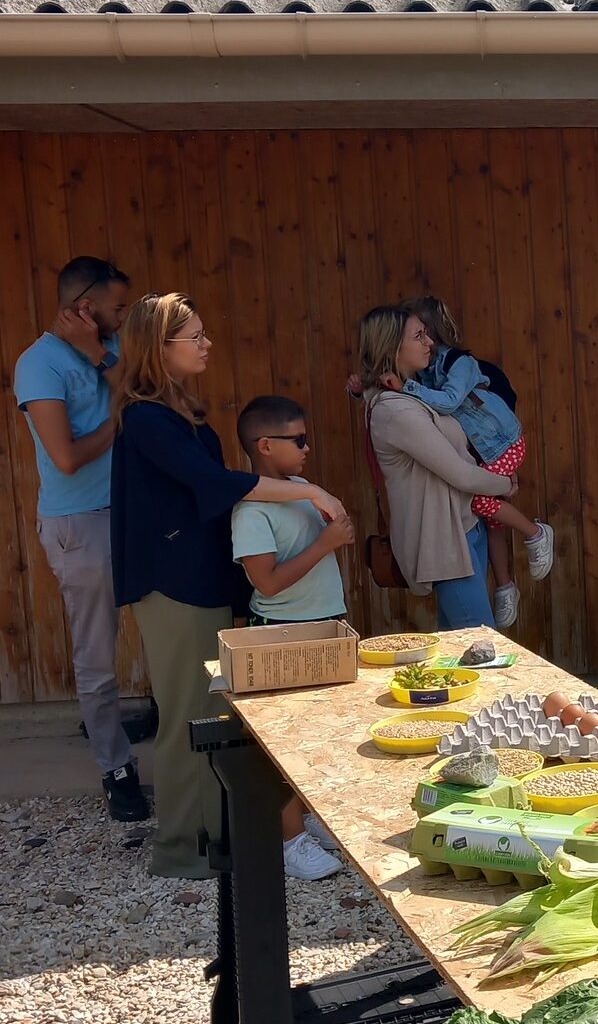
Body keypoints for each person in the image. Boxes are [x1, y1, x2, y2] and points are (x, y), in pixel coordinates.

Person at [111, 293, 345, 880]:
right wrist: (311, 492)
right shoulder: (145, 420)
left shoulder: (187, 417)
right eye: (195, 336)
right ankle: (183, 849)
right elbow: (214, 484)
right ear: (158, 348)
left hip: (207, 584)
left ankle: (220, 835)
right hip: (171, 588)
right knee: (187, 713)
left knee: (215, 714)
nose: (207, 344)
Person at [14, 256, 149, 821]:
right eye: (117, 308)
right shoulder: (38, 365)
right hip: (81, 521)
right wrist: (122, 420)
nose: (126, 316)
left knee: (167, 621)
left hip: (132, 511)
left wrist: (101, 360)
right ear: (85, 308)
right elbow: (66, 457)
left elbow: (145, 397)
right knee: (96, 652)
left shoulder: (107, 352)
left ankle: (163, 714)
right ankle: (115, 767)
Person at [231, 394, 351, 880]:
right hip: (281, 636)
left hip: (328, 625)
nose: (307, 448)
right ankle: (290, 841)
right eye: (297, 439)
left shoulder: (303, 489)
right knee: (283, 744)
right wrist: (326, 544)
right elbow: (268, 582)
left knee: (324, 737)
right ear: (264, 445)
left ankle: (307, 819)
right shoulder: (250, 512)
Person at [357, 306, 516, 630]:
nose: (429, 342)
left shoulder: (412, 396)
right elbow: (459, 473)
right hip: (444, 546)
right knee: (482, 649)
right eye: (418, 336)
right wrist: (505, 484)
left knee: (460, 655)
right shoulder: (395, 410)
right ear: (392, 348)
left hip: (461, 531)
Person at [401, 296, 554, 628]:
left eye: (424, 334)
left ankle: (535, 532)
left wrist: (407, 387)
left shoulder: (458, 364)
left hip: (502, 444)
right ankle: (505, 587)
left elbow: (451, 400)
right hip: (481, 451)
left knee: (482, 500)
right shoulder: (428, 371)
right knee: (492, 519)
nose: (424, 342)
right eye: (417, 336)